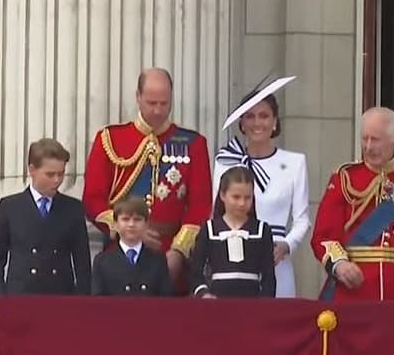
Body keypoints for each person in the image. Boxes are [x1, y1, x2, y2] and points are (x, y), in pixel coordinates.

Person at [82, 68, 213, 292]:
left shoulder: (193, 143)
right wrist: (127, 229)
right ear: (138, 97)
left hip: (171, 253)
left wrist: (179, 250)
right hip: (121, 252)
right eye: (151, 102)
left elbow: (200, 206)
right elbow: (93, 198)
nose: (158, 110)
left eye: (164, 103)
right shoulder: (111, 139)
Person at [310, 107, 394, 302]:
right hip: (352, 292)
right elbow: (323, 234)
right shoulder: (345, 178)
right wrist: (340, 265)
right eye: (364, 139)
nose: (368, 147)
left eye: (375, 140)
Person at [214, 75, 310, 298]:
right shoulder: (226, 161)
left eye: (264, 116)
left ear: (275, 121)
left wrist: (287, 245)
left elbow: (302, 218)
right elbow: (215, 212)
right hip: (233, 259)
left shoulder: (295, 162)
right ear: (241, 122)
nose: (258, 123)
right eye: (250, 116)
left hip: (276, 258)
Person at [0, 139, 91, 296]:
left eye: (61, 174)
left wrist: (80, 301)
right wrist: (0, 298)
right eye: (50, 174)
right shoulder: (10, 207)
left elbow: (83, 264)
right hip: (20, 298)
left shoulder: (72, 208)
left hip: (61, 299)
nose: (57, 180)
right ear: (32, 170)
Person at [189, 167, 276, 298]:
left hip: (252, 303)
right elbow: (195, 271)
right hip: (217, 302)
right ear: (222, 195)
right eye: (236, 197)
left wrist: (264, 303)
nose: (242, 203)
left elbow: (268, 275)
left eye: (247, 197)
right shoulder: (209, 229)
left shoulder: (262, 230)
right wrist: (203, 293)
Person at [91, 195, 173, 297]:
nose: (131, 224)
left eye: (137, 219)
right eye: (125, 219)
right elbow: (97, 303)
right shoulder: (102, 261)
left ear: (146, 224)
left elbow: (166, 301)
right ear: (115, 224)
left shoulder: (158, 260)